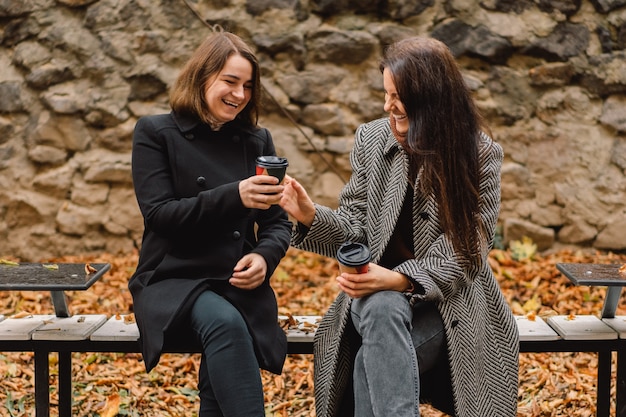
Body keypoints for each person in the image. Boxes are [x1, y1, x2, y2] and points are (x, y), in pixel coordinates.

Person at [279, 36, 519, 417]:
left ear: (432, 98)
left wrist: (398, 280)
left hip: (446, 306)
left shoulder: (479, 153)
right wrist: (310, 215)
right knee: (382, 306)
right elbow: (355, 230)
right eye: (386, 93)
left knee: (367, 361)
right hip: (370, 301)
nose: (387, 105)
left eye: (397, 95)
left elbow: (469, 250)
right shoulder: (372, 139)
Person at [129, 27, 291, 417]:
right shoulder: (155, 133)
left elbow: (277, 223)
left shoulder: (256, 141)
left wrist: (266, 258)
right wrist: (233, 195)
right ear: (202, 78)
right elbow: (160, 215)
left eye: (248, 86)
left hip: (235, 280)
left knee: (231, 332)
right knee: (227, 325)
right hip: (172, 278)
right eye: (230, 82)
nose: (239, 95)